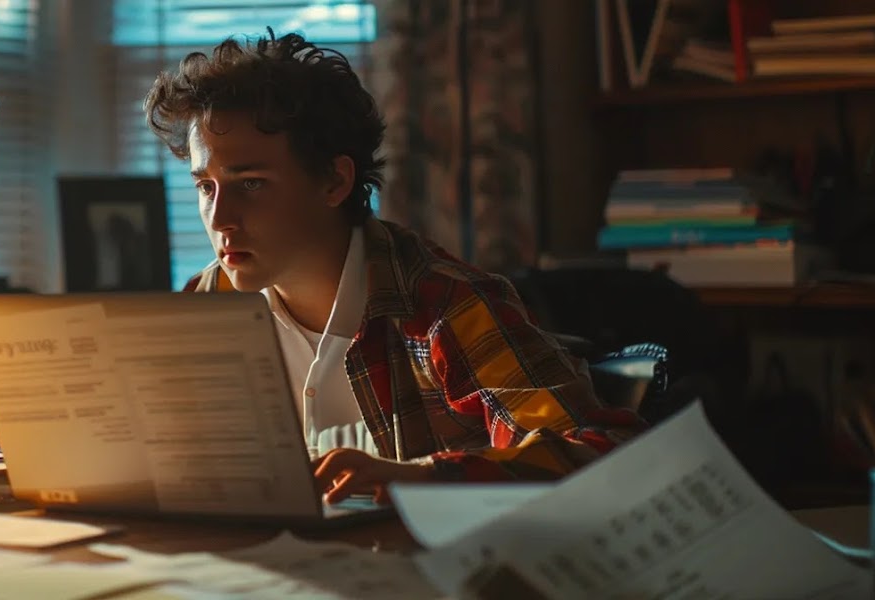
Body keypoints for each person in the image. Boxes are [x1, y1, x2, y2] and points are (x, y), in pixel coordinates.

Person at [144, 30, 646, 503]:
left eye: (250, 183)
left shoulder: (443, 305)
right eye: (205, 187)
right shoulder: (206, 307)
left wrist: (420, 479)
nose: (219, 217)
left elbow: (604, 454)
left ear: (334, 183)